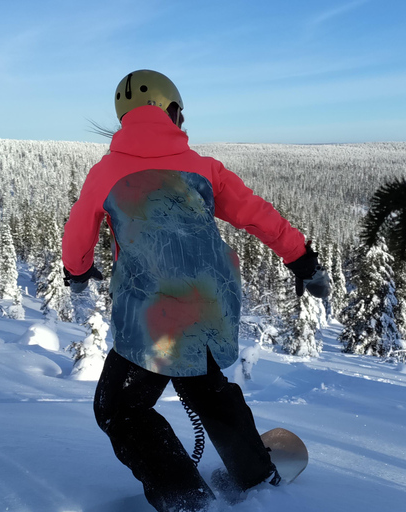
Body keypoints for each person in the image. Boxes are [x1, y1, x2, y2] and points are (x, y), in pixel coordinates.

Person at [62, 69, 330, 512]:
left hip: (152, 321)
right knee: (205, 389)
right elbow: (256, 214)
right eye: (179, 114)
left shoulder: (105, 173)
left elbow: (77, 240)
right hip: (211, 306)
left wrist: (78, 272)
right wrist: (301, 259)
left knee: (120, 409)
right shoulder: (203, 168)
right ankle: (254, 474)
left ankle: (187, 500)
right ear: (169, 110)